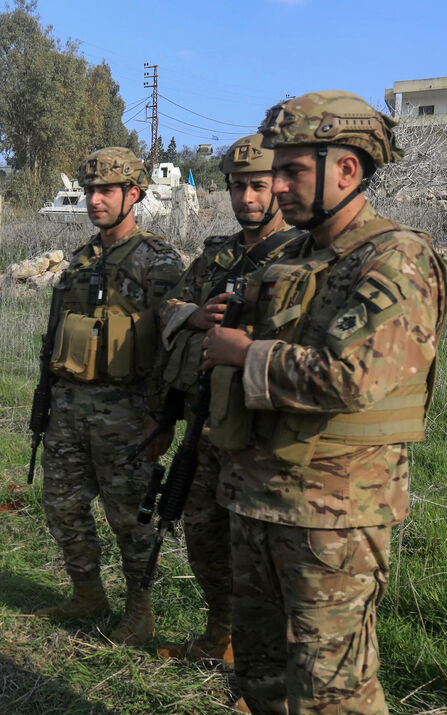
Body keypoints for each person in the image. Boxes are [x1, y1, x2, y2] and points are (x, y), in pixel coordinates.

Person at [203, 91, 446, 715]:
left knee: (333, 697)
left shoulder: (397, 258)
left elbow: (350, 378)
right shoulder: (291, 257)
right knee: (261, 680)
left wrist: (243, 354)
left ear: (347, 169)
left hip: (332, 517)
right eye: (274, 170)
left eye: (293, 171)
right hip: (257, 498)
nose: (277, 186)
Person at [155, 136, 306, 663]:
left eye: (258, 185)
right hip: (206, 422)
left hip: (262, 433)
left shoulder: (302, 257)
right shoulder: (216, 256)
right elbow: (169, 302)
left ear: (280, 187)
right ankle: (221, 634)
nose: (246, 197)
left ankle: (263, 663)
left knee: (259, 553)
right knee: (204, 538)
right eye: (238, 186)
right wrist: (193, 315)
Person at [36, 146, 184, 646]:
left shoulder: (157, 261)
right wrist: (48, 399)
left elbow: (173, 346)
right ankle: (87, 594)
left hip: (127, 414)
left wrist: (162, 419)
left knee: (130, 520)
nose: (95, 200)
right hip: (70, 410)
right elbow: (56, 334)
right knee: (61, 506)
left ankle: (139, 612)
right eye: (89, 191)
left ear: (133, 194)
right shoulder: (79, 262)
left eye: (106, 191)